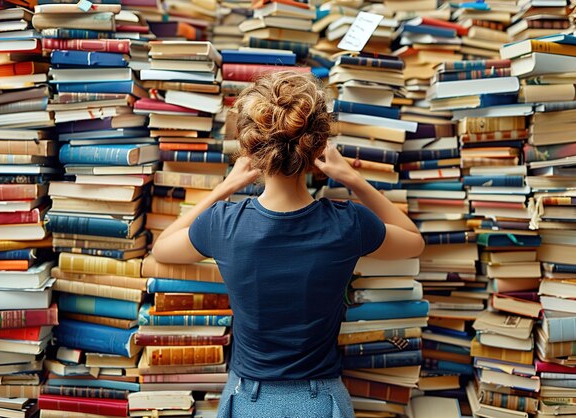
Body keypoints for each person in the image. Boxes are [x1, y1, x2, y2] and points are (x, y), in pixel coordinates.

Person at [151, 71, 425, 418]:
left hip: (246, 400)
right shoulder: (348, 223)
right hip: (321, 402)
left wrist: (225, 187)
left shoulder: (222, 223)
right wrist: (352, 178)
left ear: (250, 149)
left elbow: (162, 248)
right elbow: (413, 242)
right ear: (317, 146)